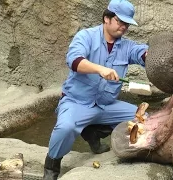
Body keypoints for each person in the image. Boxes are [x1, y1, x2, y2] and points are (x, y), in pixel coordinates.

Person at [42, 0, 148, 179]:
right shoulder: (86, 36)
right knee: (65, 128)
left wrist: (151, 55)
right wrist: (100, 69)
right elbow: (74, 61)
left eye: (127, 24)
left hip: (106, 105)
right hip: (77, 102)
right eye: (120, 21)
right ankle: (51, 167)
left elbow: (141, 53)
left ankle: (94, 131)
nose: (124, 27)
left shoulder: (126, 46)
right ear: (106, 18)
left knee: (145, 120)